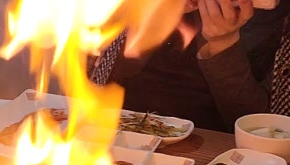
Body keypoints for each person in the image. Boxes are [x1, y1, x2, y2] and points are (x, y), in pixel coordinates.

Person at [89, 0, 289, 132]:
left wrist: (222, 44)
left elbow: (267, 131)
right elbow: (95, 81)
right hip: (110, 138)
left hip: (215, 160)